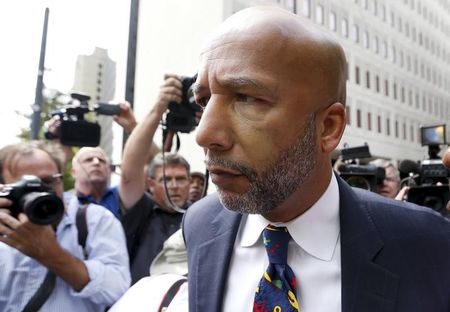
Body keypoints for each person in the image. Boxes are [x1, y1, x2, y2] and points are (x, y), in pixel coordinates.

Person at [182, 6, 450, 312]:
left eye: (246, 98)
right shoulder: (199, 224)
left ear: (328, 127)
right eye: (203, 100)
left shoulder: (427, 245)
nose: (204, 134)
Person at [0, 141, 130, 311]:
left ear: (61, 179)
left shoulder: (94, 220)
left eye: (47, 182)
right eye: (25, 186)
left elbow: (118, 290)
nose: (40, 193)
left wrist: (50, 253)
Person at [120, 74, 192, 284]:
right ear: (150, 184)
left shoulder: (200, 216)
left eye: (181, 179)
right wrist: (159, 107)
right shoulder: (141, 211)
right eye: (166, 180)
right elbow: (129, 171)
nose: (175, 186)